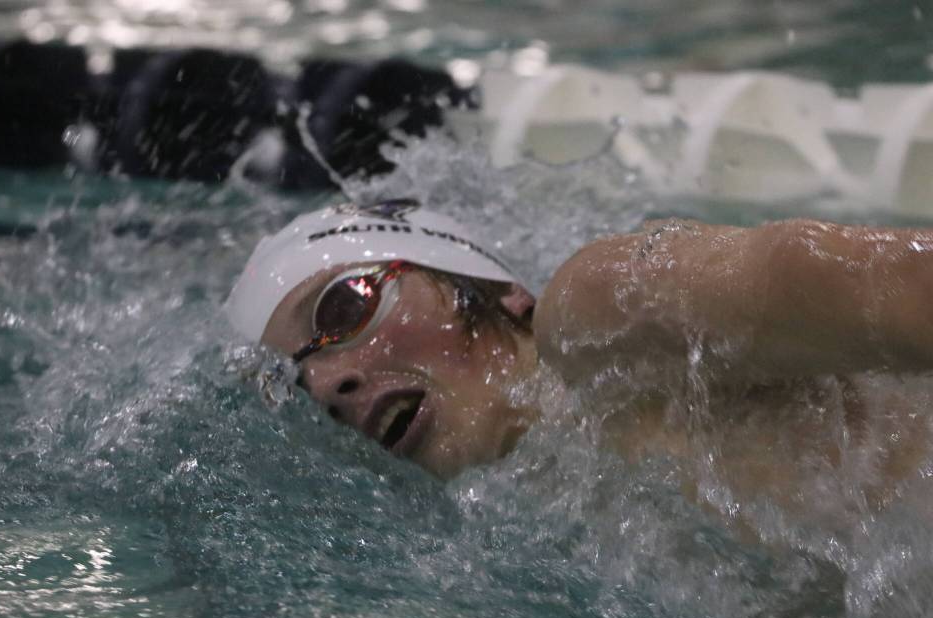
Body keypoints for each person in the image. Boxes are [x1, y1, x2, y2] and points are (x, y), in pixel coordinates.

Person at [226, 198, 933, 519]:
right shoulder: (534, 533)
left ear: (500, 293)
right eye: (292, 381)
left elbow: (835, 278)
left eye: (342, 309)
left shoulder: (594, 320)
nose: (325, 382)